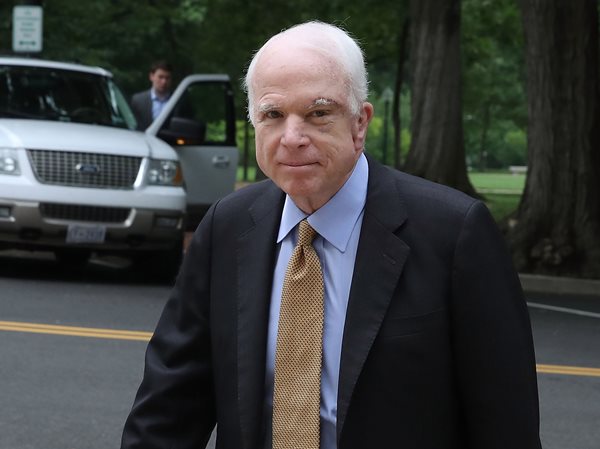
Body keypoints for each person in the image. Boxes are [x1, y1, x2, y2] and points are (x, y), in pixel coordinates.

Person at [121, 21, 542, 449]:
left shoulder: (455, 233)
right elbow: (168, 410)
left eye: (318, 113)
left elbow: (507, 426)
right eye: (273, 115)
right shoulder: (226, 228)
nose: (292, 138)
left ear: (360, 123)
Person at [130, 60, 173, 130]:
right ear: (151, 77)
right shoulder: (138, 100)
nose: (164, 82)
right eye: (160, 77)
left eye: (167, 78)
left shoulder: (178, 101)